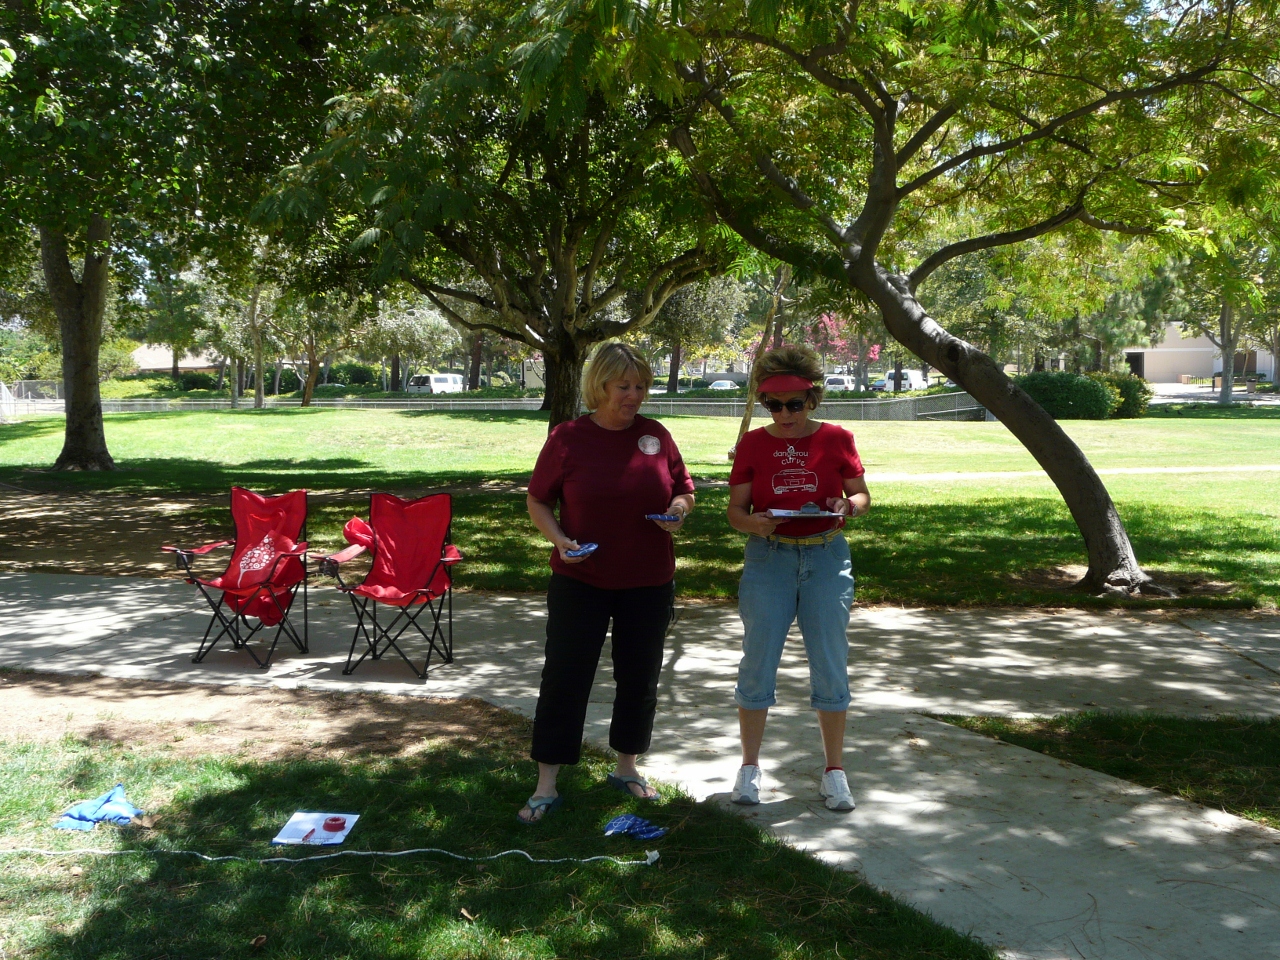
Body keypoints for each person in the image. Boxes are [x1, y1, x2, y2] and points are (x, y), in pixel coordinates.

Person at [519, 342, 696, 823]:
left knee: (639, 679)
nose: (634, 395)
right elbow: (538, 500)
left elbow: (683, 488)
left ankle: (626, 767)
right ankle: (547, 783)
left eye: (640, 386)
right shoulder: (568, 437)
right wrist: (559, 540)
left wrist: (678, 512)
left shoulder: (656, 435)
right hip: (582, 579)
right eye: (624, 386)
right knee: (564, 680)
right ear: (600, 386)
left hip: (649, 580)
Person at [725, 344, 871, 812]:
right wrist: (755, 523)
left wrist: (847, 507)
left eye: (794, 403)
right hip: (770, 558)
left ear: (812, 399)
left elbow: (861, 495)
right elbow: (735, 511)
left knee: (830, 662)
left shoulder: (837, 438)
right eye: (773, 404)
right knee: (758, 660)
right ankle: (749, 768)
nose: (784, 413)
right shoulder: (753, 443)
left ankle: (834, 772)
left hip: (826, 557)